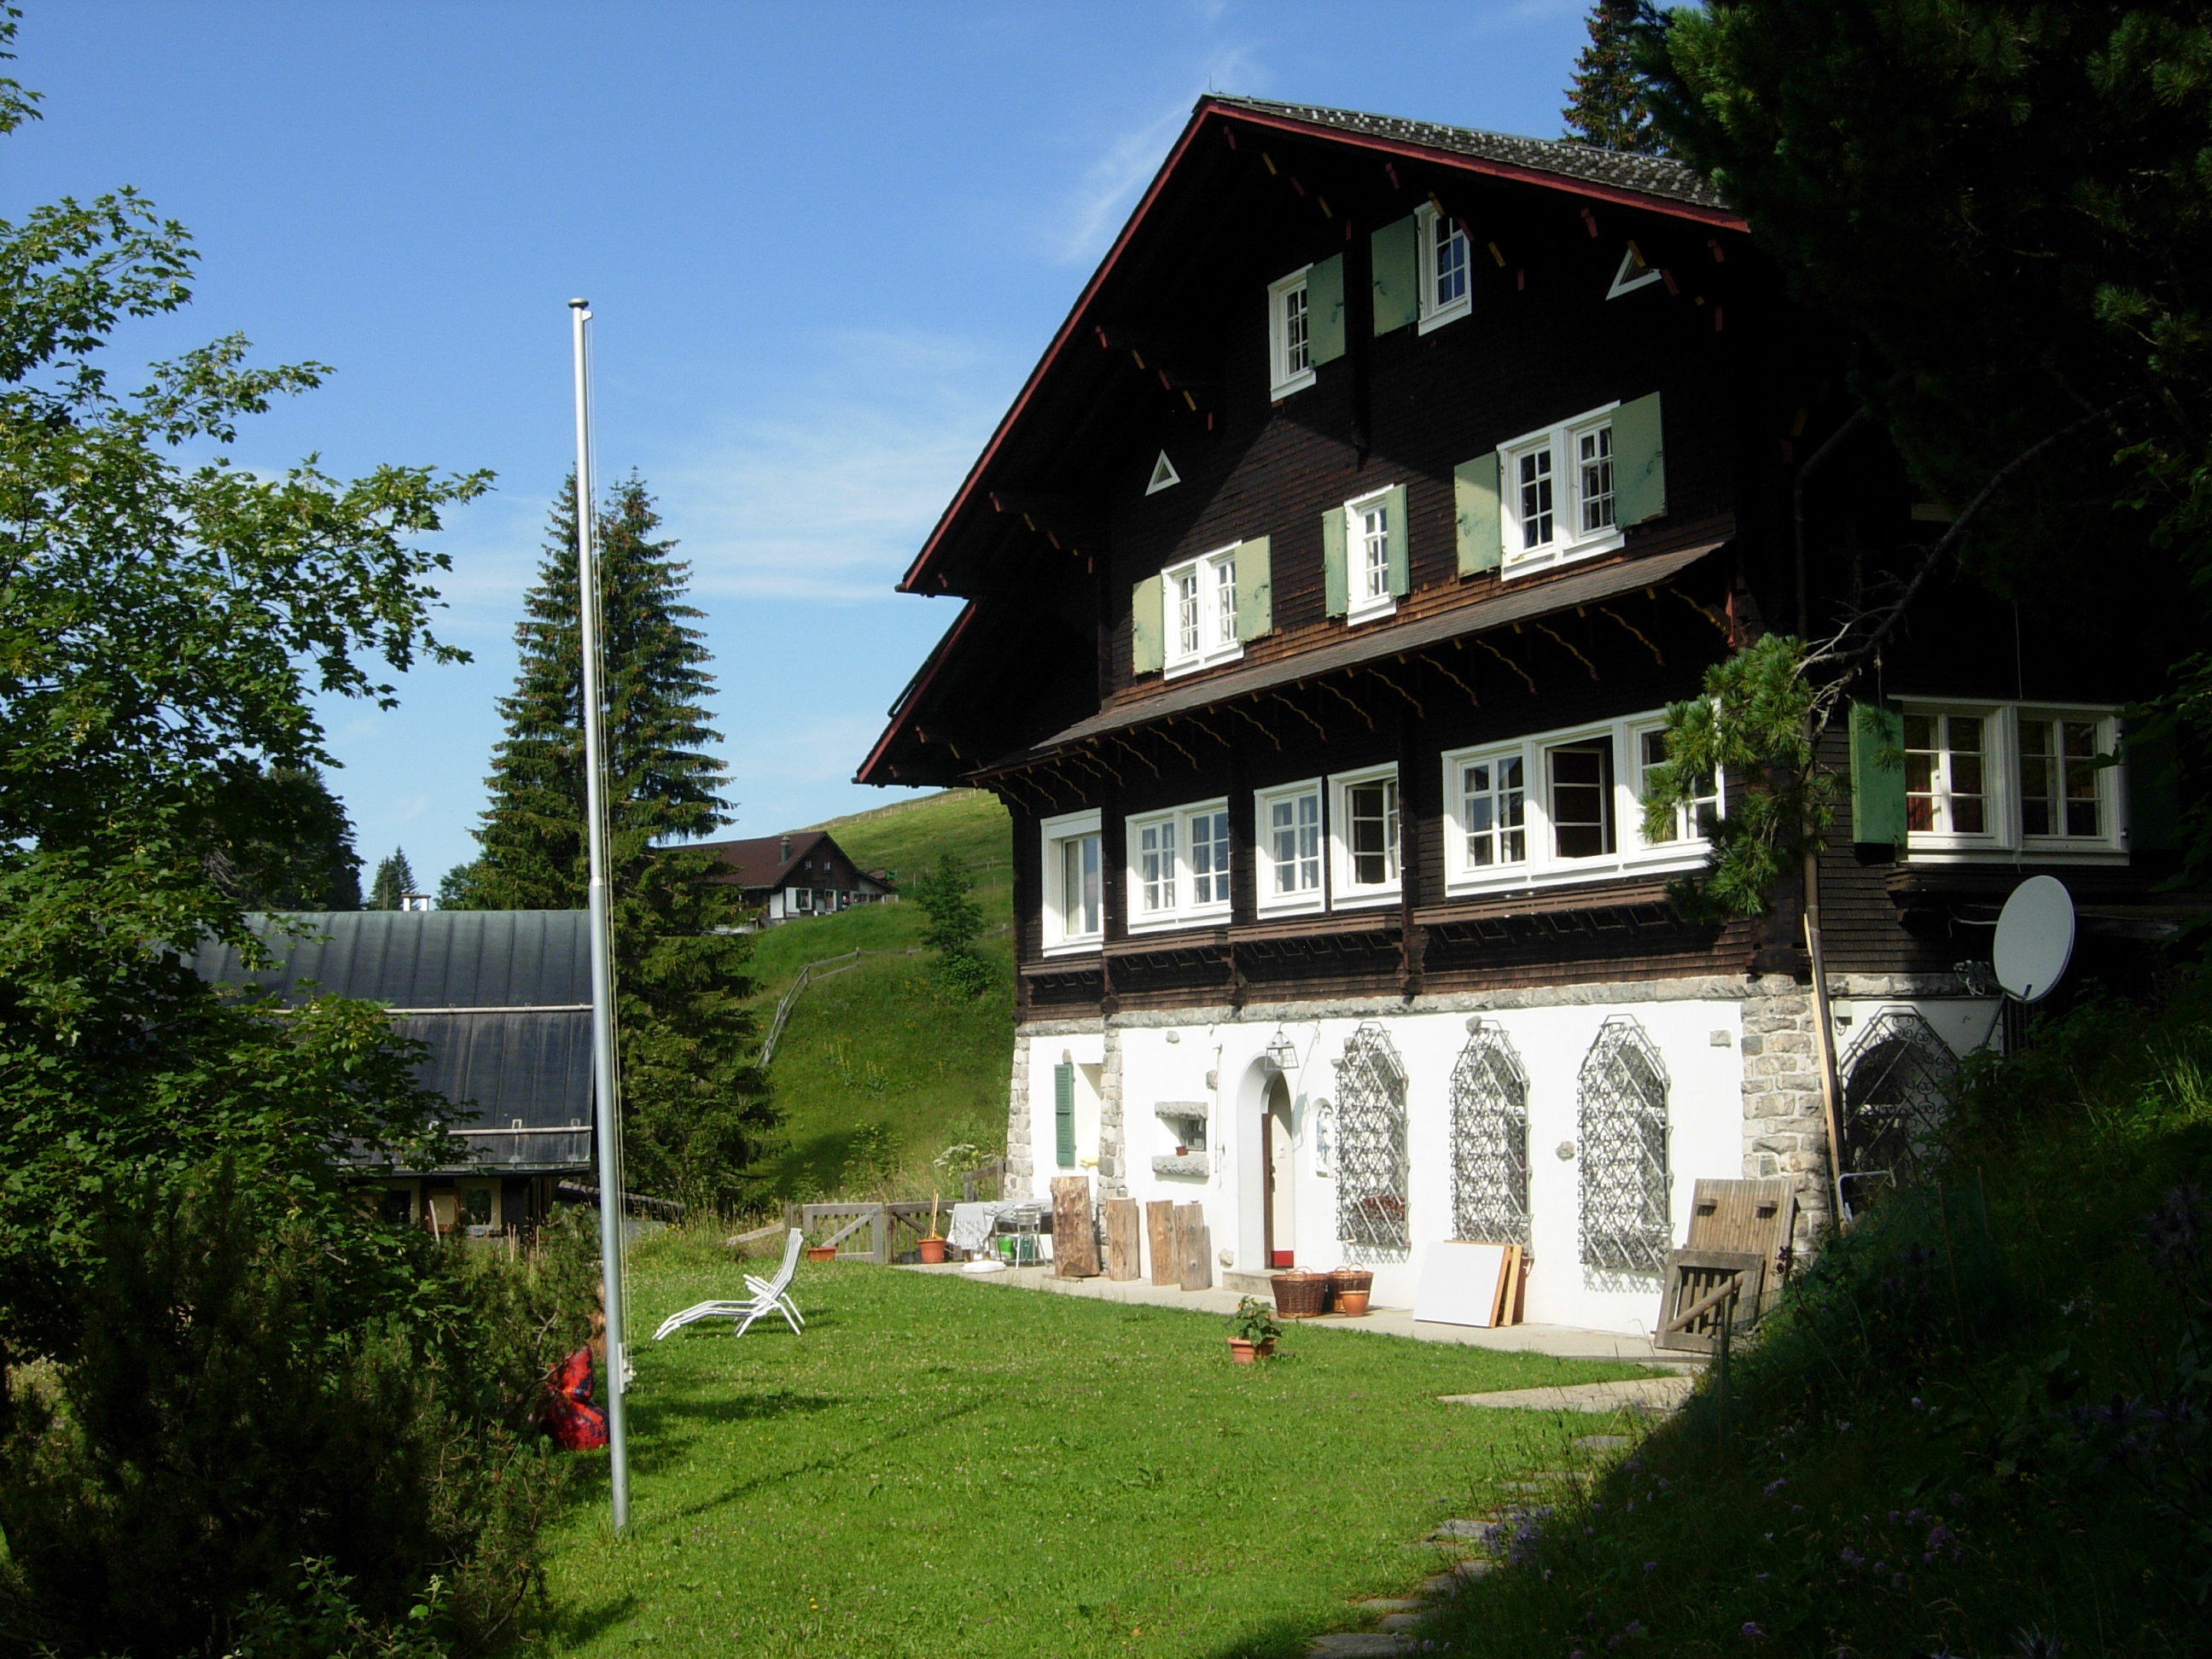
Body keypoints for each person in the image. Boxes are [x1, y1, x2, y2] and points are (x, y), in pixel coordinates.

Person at [545, 1290, 609, 1451]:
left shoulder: (575, 1350)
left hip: (570, 1406)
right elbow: (581, 1391)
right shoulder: (577, 1350)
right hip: (569, 1411)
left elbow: (581, 1391)